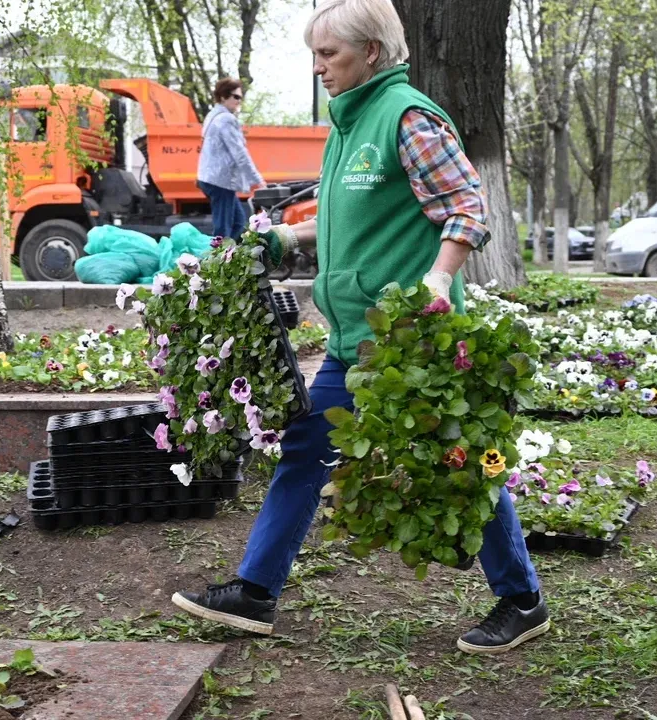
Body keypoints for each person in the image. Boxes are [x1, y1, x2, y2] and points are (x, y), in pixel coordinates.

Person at [172, 0, 548, 656]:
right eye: (315, 55)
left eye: (331, 54)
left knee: (458, 462)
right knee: (305, 450)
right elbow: (351, 223)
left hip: (411, 345)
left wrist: (437, 278)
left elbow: (466, 206)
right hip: (353, 341)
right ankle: (255, 592)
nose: (319, 68)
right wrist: (283, 238)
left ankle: (523, 600)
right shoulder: (350, 124)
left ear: (372, 52)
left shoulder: (407, 118)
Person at [198, 78, 264, 241]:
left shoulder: (212, 116)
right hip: (220, 181)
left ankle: (229, 257)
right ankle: (218, 261)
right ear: (222, 97)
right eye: (236, 97)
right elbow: (239, 153)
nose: (239, 102)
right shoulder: (226, 119)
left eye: (240, 98)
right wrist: (256, 180)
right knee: (224, 228)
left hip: (212, 179)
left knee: (238, 223)